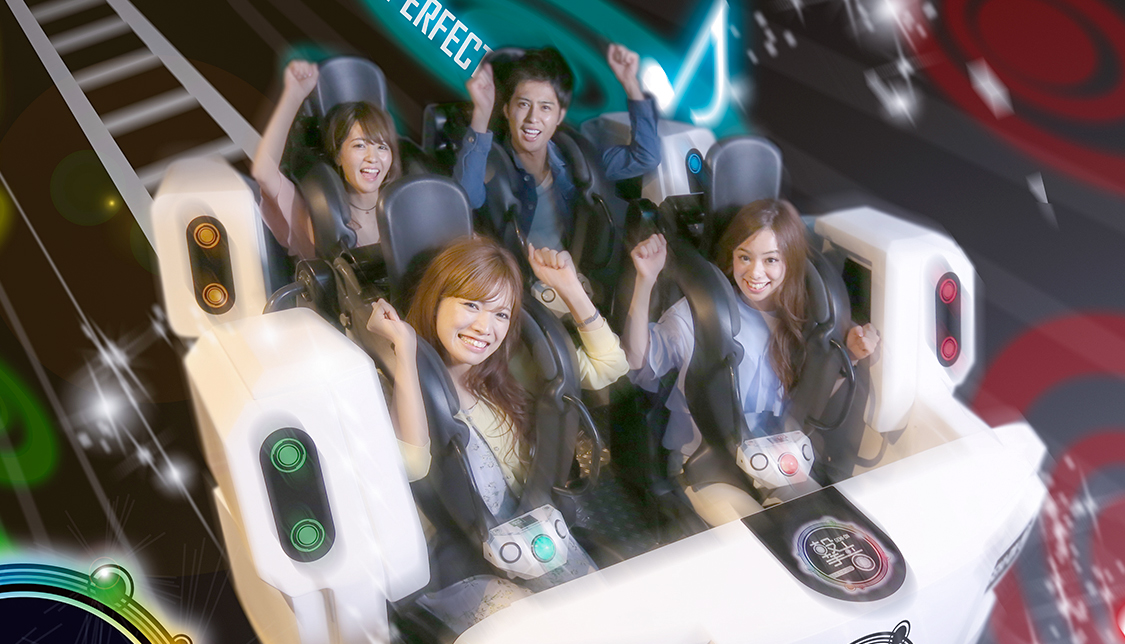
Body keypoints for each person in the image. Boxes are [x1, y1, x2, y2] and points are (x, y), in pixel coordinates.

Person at [623, 199, 881, 526]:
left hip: (777, 457)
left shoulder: (806, 322)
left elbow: (813, 402)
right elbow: (637, 364)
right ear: (732, 258)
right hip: (707, 463)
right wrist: (644, 281)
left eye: (771, 260)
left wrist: (853, 358)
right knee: (758, 542)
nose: (755, 272)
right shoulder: (704, 313)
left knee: (820, 528)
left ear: (791, 262)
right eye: (744, 257)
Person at [364, 236, 628, 498]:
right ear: (435, 302)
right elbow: (412, 466)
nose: (484, 327)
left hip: (537, 510)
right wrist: (405, 346)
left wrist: (570, 288)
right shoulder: (402, 377)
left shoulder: (511, 360)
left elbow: (610, 366)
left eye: (501, 314)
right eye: (471, 304)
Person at [453, 45, 660, 252]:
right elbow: (464, 203)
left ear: (559, 116)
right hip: (516, 277)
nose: (532, 119)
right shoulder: (491, 163)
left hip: (573, 274)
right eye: (524, 104)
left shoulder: (577, 157)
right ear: (507, 110)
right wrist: (481, 113)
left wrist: (631, 83)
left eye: (545, 108)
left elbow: (646, 156)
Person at [251, 60, 401, 259]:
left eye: (382, 147)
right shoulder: (316, 212)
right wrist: (293, 96)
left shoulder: (403, 209)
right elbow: (264, 171)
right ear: (338, 155)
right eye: (360, 145)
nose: (372, 158)